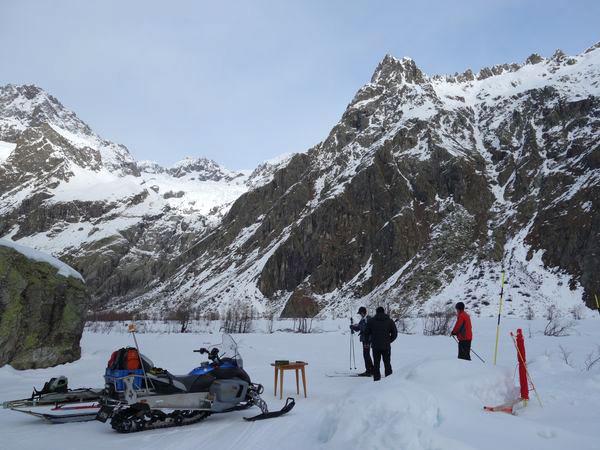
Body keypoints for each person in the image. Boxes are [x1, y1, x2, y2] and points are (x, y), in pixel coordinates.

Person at [364, 306, 398, 381]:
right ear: (384, 312)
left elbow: (366, 333)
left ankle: (376, 381)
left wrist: (367, 342)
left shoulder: (371, 321)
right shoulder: (389, 321)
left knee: (376, 365)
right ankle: (389, 381)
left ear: (376, 312)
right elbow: (395, 333)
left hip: (375, 346)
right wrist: (389, 341)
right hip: (386, 346)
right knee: (387, 364)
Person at [349, 306, 373, 376]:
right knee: (366, 354)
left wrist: (354, 327)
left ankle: (369, 371)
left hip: (367, 339)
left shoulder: (367, 319)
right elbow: (359, 327)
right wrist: (353, 326)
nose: (360, 314)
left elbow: (362, 328)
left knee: (366, 354)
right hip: (366, 339)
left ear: (363, 313)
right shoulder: (364, 319)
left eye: (360, 313)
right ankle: (371, 369)